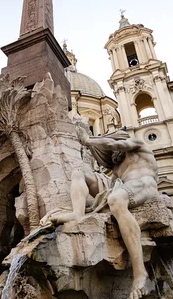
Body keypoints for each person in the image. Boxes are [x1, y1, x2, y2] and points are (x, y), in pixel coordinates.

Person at [43, 126, 159, 299]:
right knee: (80, 171)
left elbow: (113, 143)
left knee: (116, 199)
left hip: (144, 184)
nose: (110, 155)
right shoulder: (117, 169)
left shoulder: (137, 144)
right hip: (123, 189)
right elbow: (110, 185)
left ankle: (140, 274)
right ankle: (77, 213)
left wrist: (88, 140)